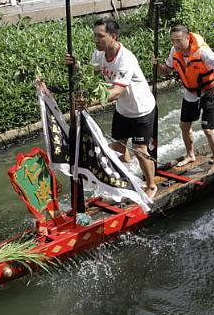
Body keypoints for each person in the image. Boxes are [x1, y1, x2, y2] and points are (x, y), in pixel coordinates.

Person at [66, 18, 158, 199]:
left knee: (140, 150)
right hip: (123, 109)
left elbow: (115, 92)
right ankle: (127, 178)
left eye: (100, 36)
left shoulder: (126, 59)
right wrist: (75, 66)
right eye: (95, 35)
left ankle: (151, 185)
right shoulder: (98, 55)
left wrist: (88, 103)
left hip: (141, 109)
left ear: (113, 37)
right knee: (117, 147)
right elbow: (91, 78)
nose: (96, 39)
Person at [156, 24, 214, 170]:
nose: (175, 44)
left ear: (188, 38)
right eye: (173, 41)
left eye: (178, 40)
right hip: (191, 91)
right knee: (184, 126)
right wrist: (157, 65)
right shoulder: (175, 51)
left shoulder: (202, 52)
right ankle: (190, 155)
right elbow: (165, 71)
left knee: (208, 129)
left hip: (209, 90)